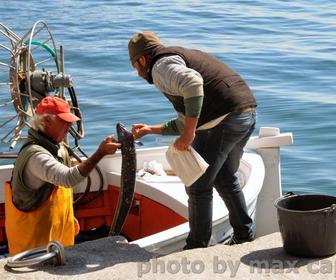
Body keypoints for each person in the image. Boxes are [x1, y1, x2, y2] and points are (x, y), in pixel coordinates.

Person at [128, 32, 257, 249]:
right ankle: (244, 235)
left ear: (142, 60)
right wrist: (151, 130)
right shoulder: (176, 57)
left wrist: (189, 134)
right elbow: (189, 116)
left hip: (223, 120)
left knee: (197, 184)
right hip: (245, 113)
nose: (138, 72)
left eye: (135, 66)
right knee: (224, 176)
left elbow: (193, 83)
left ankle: (196, 247)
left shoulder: (160, 67)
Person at [5, 96, 121, 255]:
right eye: (64, 121)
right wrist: (100, 153)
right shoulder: (35, 157)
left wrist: (67, 217)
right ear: (45, 122)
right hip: (33, 246)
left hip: (55, 238)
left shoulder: (57, 147)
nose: (70, 125)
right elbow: (68, 178)